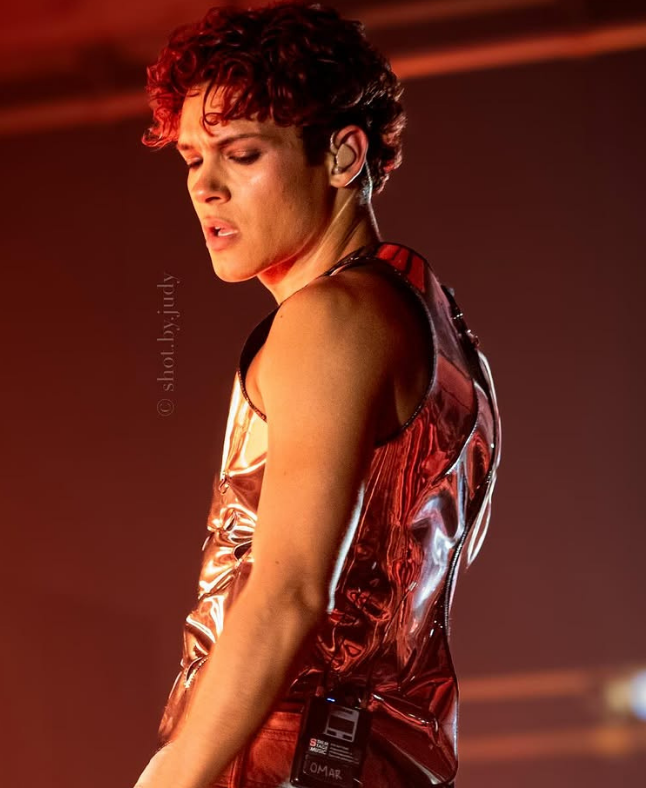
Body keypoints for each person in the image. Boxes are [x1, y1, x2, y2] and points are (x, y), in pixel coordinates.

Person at [134, 3, 502, 787]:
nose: (205, 188)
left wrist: (174, 774)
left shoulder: (328, 319)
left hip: (283, 760)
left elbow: (291, 589)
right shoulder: (446, 336)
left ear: (342, 155)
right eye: (193, 159)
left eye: (241, 154)